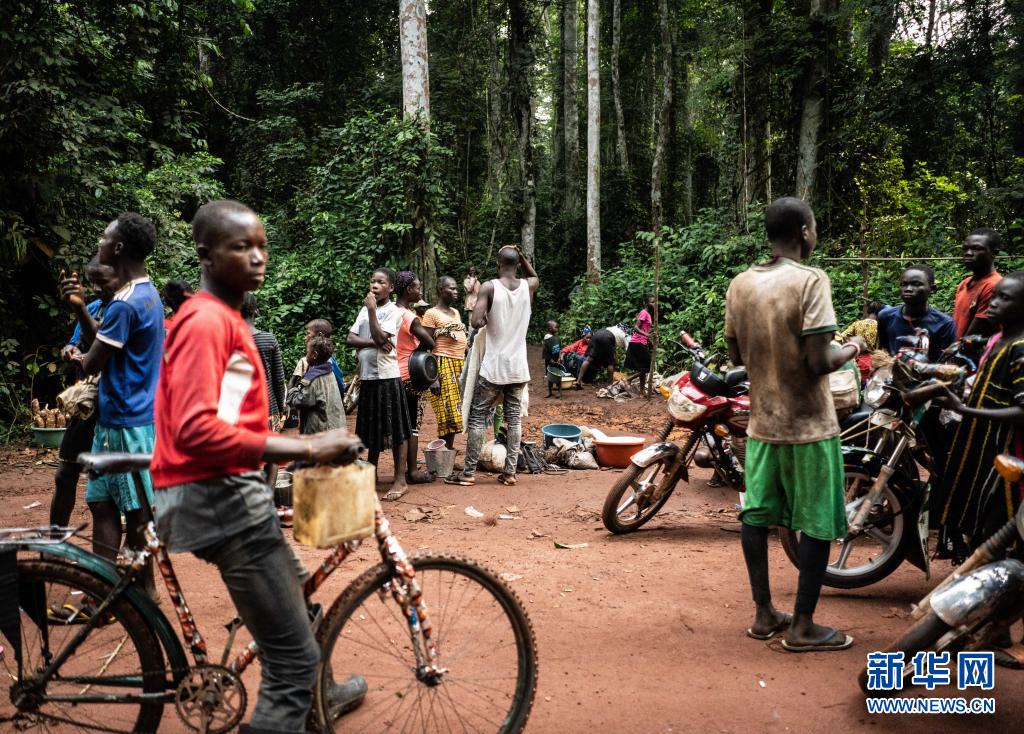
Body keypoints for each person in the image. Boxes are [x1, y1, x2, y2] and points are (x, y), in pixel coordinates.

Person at [151, 199, 366, 732]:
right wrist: (306, 449)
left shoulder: (225, 319)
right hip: (219, 500)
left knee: (298, 599)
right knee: (293, 662)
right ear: (206, 254)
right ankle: (304, 694)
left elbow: (224, 421)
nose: (257, 257)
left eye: (262, 246)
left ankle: (323, 700)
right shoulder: (205, 322)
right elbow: (198, 430)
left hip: (226, 490)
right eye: (241, 246)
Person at [725, 196, 866, 652]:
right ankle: (803, 626)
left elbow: (735, 356)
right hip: (809, 426)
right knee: (819, 524)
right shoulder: (811, 281)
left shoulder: (741, 283)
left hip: (763, 424)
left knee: (756, 516)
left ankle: (764, 614)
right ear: (806, 231)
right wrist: (855, 348)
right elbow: (821, 361)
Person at [59, 214, 164, 601]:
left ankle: (146, 591)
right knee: (102, 504)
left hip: (125, 421)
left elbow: (91, 363)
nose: (99, 243)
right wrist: (81, 310)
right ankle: (104, 591)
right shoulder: (145, 293)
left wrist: (76, 352)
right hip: (119, 418)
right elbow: (106, 345)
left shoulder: (125, 304)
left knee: (135, 512)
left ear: (118, 248)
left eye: (105, 237)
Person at [936, 272, 1024, 668]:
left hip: (1008, 458)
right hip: (985, 452)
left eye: (1005, 299)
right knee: (986, 534)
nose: (995, 304)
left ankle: (1003, 633)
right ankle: (994, 627)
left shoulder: (1021, 349)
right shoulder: (998, 340)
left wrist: (966, 409)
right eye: (997, 298)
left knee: (1006, 540)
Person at [447, 245, 539, 487]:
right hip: (518, 366)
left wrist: (487, 316)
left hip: (494, 366)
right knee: (514, 419)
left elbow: (476, 321)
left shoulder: (489, 286)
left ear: (498, 265)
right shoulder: (528, 286)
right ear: (518, 264)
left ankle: (468, 473)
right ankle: (509, 473)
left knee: (478, 417)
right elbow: (534, 277)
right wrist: (522, 257)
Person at [50, 257, 120, 528]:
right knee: (65, 474)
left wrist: (80, 310)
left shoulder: (124, 308)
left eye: (103, 282)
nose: (98, 288)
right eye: (94, 283)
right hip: (86, 403)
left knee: (109, 490)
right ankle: (55, 546)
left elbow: (102, 346)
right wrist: (69, 351)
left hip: (116, 408)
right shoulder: (93, 306)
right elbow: (72, 344)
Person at [347, 268, 413, 499]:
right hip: (368, 377)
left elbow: (381, 336)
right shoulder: (364, 310)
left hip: (387, 376)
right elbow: (350, 338)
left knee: (396, 429)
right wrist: (374, 343)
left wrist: (373, 312)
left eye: (381, 282)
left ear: (391, 288)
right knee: (371, 428)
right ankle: (371, 474)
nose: (374, 285)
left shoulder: (395, 312)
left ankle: (400, 480)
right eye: (372, 281)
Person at [394, 270, 437, 493]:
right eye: (418, 287)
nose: (420, 291)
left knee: (399, 424)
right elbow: (429, 341)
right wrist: (421, 348)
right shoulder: (409, 316)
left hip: (392, 374)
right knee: (413, 425)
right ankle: (411, 471)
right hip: (409, 375)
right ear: (408, 290)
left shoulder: (388, 311)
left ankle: (398, 471)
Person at [422, 276, 468, 450]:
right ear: (441, 289)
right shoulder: (431, 314)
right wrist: (433, 378)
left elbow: (461, 339)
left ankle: (447, 452)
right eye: (452, 289)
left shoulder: (455, 312)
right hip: (442, 364)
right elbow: (426, 344)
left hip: (459, 365)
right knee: (446, 411)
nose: (456, 292)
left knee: (456, 411)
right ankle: (443, 452)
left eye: (456, 289)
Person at [876, 265, 956, 362]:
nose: (908, 288)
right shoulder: (886, 317)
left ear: (932, 289)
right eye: (904, 284)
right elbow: (883, 353)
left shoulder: (944, 324)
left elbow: (947, 363)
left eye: (916, 284)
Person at [241, 293, 286, 425]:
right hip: (267, 408)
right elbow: (278, 379)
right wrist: (281, 406)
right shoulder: (268, 339)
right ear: (256, 311)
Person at [286, 335, 345, 435]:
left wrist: (292, 391)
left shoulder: (312, 378)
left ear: (314, 354)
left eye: (307, 352)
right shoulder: (330, 372)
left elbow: (301, 401)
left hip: (319, 430)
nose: (306, 355)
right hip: (334, 426)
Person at [953, 228, 1002, 339]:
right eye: (965, 249)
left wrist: (955, 350)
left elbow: (975, 333)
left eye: (977, 249)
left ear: (994, 253)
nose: (968, 253)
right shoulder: (964, 284)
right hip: (956, 349)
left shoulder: (994, 286)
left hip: (978, 353)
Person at [290, 319, 345, 399]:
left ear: (319, 335)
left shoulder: (310, 361)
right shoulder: (330, 359)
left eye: (308, 333)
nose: (305, 338)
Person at [839, 299, 883, 382]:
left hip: (857, 360)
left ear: (868, 311)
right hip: (873, 362)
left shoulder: (857, 323)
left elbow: (842, 336)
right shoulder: (880, 326)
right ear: (880, 312)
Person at [624, 295, 655, 388]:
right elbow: (636, 327)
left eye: (655, 302)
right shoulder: (644, 312)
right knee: (648, 366)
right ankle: (628, 379)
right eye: (652, 302)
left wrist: (649, 341)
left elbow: (645, 330)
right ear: (647, 303)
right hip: (637, 342)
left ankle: (642, 391)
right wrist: (646, 335)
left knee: (643, 367)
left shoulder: (649, 314)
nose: (654, 304)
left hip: (642, 342)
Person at [542, 320, 561, 397]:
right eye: (555, 327)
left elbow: (560, 349)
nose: (557, 328)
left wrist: (559, 358)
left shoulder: (557, 338)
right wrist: (550, 360)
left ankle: (559, 391)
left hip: (557, 361)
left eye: (557, 327)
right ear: (550, 329)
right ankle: (549, 391)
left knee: (558, 376)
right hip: (550, 361)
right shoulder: (547, 339)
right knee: (550, 376)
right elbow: (545, 351)